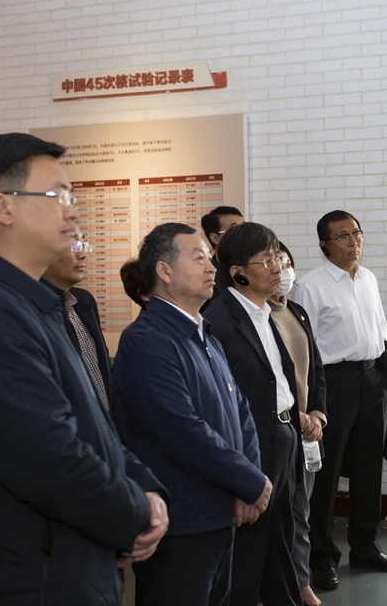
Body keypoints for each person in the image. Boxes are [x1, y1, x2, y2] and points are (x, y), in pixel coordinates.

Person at [0, 132, 168, 603]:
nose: (73, 212)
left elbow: (95, 425)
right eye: (57, 196)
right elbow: (47, 458)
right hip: (41, 578)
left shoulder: (41, 306)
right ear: (3, 207)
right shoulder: (6, 314)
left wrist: (148, 489)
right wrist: (137, 512)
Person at [112, 222, 271, 606]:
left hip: (220, 512)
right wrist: (250, 481)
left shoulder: (204, 333)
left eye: (209, 258)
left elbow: (241, 410)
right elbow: (182, 431)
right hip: (183, 521)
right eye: (198, 258)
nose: (211, 267)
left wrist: (248, 481)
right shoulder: (147, 340)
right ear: (164, 271)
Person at [291, 210, 387, 590]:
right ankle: (321, 558)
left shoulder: (368, 278)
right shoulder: (311, 286)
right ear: (324, 244)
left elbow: (379, 329)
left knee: (369, 467)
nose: (353, 241)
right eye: (342, 236)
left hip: (372, 379)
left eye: (356, 233)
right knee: (326, 473)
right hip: (333, 382)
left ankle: (365, 547)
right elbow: (305, 348)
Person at [204, 223, 307, 606]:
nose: (278, 267)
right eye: (266, 261)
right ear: (238, 273)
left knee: (280, 540)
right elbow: (221, 404)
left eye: (277, 256)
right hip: (253, 445)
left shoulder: (266, 312)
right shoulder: (219, 322)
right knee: (248, 551)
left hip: (283, 435)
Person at [270, 242, 328, 606]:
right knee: (276, 515)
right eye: (275, 261)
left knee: (300, 512)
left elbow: (315, 371)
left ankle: (301, 581)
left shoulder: (298, 312)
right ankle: (275, 585)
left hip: (307, 430)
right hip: (279, 427)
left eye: (286, 261)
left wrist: (318, 414)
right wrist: (296, 415)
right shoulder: (257, 317)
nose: (283, 269)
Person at [41, 232, 112, 411]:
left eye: (84, 245)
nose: (83, 254)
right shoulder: (32, 309)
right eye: (74, 245)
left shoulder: (84, 301)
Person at [202, 205, 245, 305]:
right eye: (235, 229)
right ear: (215, 238)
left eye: (244, 227)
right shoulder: (204, 277)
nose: (243, 234)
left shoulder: (254, 267)